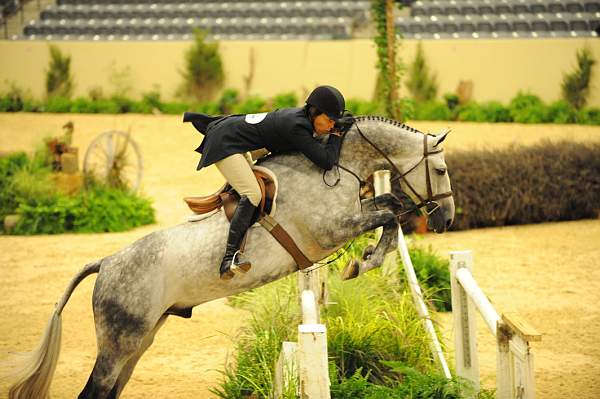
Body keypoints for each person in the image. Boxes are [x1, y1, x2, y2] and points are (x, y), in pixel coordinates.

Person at [184, 85, 348, 281]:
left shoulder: (302, 121)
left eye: (334, 122)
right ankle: (229, 258)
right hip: (226, 142)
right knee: (253, 193)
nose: (331, 126)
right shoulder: (297, 127)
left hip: (238, 140)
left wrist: (336, 127)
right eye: (329, 121)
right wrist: (337, 135)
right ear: (314, 113)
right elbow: (327, 162)